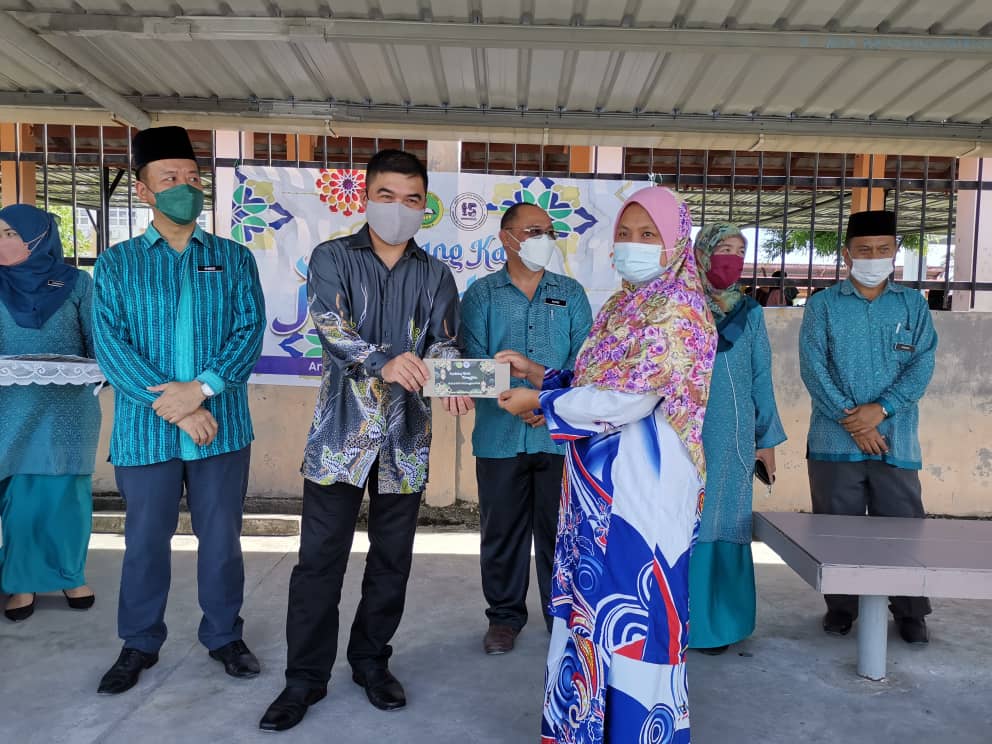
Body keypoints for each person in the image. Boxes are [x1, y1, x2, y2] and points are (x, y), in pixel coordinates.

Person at [260, 149, 473, 733]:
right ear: (365, 198)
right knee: (318, 563)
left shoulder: (436, 274)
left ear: (424, 207)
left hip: (406, 438)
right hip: (340, 439)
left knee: (391, 561)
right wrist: (386, 361)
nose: (399, 208)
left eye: (412, 199)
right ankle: (304, 679)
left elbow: (444, 342)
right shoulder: (332, 258)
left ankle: (371, 661)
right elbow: (332, 330)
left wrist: (452, 376)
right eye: (387, 196)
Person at [498, 186, 716, 743]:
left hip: (644, 497)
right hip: (596, 493)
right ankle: (583, 728)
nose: (632, 244)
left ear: (676, 243)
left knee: (636, 620)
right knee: (590, 614)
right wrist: (540, 375)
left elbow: (631, 398)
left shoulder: (681, 310)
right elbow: (600, 379)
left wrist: (544, 404)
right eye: (625, 233)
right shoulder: (623, 305)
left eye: (649, 235)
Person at [92, 126, 266, 694]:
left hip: (222, 427)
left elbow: (248, 330)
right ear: (143, 191)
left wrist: (204, 389)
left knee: (222, 540)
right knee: (145, 542)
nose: (185, 187)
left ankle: (224, 635)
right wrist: (177, 404)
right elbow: (112, 346)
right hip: (147, 431)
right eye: (170, 178)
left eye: (192, 178)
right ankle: (139, 642)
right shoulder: (116, 264)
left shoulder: (233, 258)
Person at [460, 202, 593, 655]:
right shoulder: (481, 295)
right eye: (535, 230)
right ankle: (503, 618)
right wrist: (520, 403)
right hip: (499, 437)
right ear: (507, 238)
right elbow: (474, 363)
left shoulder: (570, 294)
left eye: (550, 231)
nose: (545, 239)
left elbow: (584, 365)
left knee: (561, 534)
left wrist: (543, 400)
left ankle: (563, 618)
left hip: (559, 437)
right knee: (501, 533)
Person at [799, 209, 937, 644]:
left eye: (882, 249)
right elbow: (814, 368)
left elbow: (922, 364)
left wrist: (883, 409)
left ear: (895, 251)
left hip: (896, 440)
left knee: (902, 530)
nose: (873, 257)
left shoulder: (912, 305)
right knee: (836, 530)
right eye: (863, 249)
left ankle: (910, 611)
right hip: (833, 440)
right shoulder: (822, 305)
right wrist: (856, 422)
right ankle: (842, 608)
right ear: (847, 255)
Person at [687, 223, 786, 655]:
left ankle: (720, 624)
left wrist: (766, 440)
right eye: (723, 248)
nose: (731, 259)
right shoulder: (679, 307)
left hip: (733, 438)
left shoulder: (751, 313)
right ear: (701, 253)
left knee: (725, 521)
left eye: (739, 251)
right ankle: (678, 620)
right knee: (685, 521)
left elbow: (761, 377)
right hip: (682, 433)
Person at [0, 205, 101, 622]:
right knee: (20, 497)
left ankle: (70, 575)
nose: (2, 241)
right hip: (9, 409)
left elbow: (98, 342)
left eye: (10, 233)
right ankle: (21, 581)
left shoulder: (77, 283)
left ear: (38, 238)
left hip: (68, 410)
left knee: (66, 495)